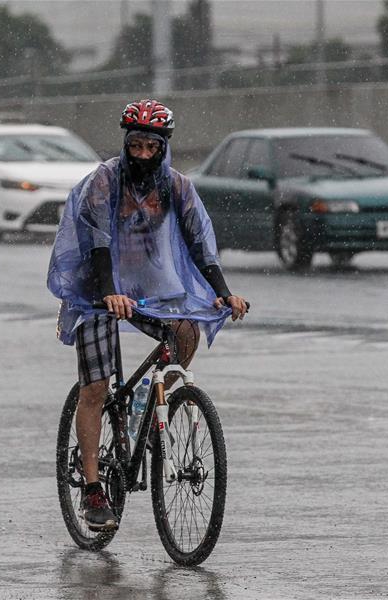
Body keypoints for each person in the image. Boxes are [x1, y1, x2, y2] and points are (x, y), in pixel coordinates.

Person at [47, 99, 247, 531]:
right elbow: (97, 242)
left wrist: (224, 294)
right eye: (134, 145)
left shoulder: (177, 187)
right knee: (96, 388)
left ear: (163, 147)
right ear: (126, 142)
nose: (141, 155)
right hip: (96, 289)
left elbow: (199, 244)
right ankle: (94, 488)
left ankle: (153, 401)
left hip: (148, 290)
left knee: (186, 330)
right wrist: (107, 294)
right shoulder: (104, 182)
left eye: (149, 148)